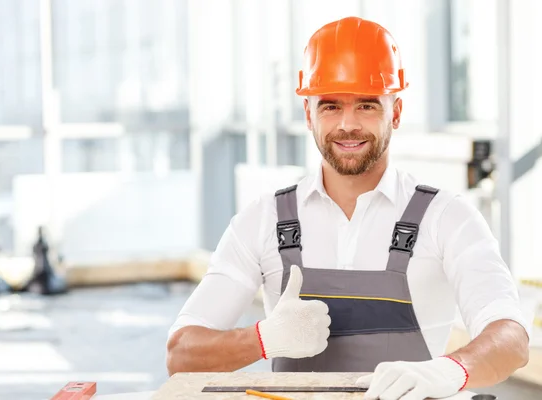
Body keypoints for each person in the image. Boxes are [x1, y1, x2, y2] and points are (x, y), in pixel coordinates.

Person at [165, 16, 530, 400]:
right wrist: (263, 338)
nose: (348, 124)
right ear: (308, 115)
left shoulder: (447, 218)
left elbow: (510, 336)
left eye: (368, 105)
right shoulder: (263, 220)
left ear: (397, 112)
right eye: (330, 106)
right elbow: (181, 355)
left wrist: (451, 370)